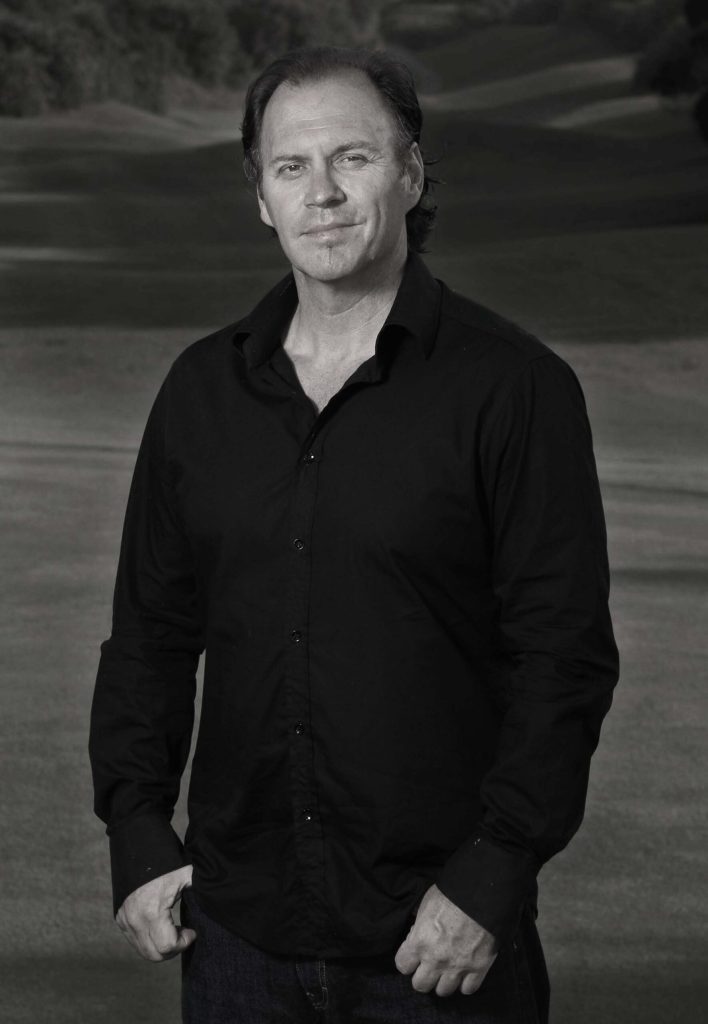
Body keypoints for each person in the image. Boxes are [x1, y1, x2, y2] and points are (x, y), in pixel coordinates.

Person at [89, 45, 620, 1024]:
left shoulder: (513, 388)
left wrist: (495, 872)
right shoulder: (202, 392)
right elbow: (149, 638)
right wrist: (136, 828)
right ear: (261, 196)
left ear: (410, 173)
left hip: (436, 944)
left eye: (353, 158)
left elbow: (564, 659)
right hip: (236, 943)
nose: (322, 193)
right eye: (291, 166)